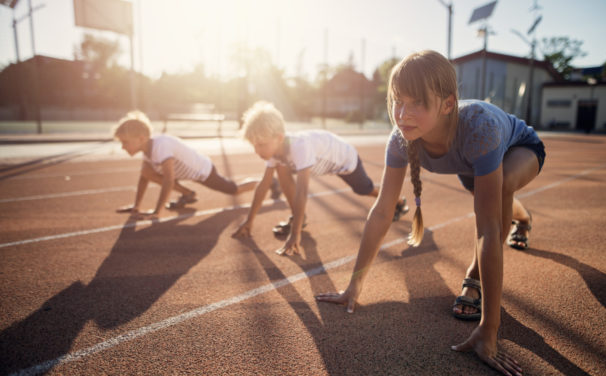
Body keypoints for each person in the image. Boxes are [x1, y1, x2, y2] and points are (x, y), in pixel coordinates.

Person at [316, 50, 545, 376]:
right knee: (490, 196)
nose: (402, 114)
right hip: (473, 162)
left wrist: (489, 328)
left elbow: (488, 230)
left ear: (448, 104)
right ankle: (523, 218)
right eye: (397, 101)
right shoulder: (400, 140)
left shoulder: (480, 129)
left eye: (416, 103)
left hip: (519, 149)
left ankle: (474, 276)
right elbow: (382, 211)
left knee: (500, 190)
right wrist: (353, 286)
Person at [232, 101, 410, 255]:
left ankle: (398, 202)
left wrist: (295, 235)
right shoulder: (275, 151)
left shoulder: (299, 147)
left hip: (345, 160)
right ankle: (298, 218)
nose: (257, 151)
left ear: (279, 138)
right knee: (281, 167)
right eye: (254, 146)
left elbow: (302, 192)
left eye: (261, 145)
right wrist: (249, 221)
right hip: (325, 159)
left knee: (364, 189)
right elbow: (263, 186)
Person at [113, 111, 262, 219]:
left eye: (125, 142)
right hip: (186, 173)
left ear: (141, 138)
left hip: (203, 171)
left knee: (234, 190)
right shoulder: (147, 150)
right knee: (146, 172)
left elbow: (169, 180)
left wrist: (157, 211)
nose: (123, 147)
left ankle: (267, 183)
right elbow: (144, 178)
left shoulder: (161, 146)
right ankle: (187, 194)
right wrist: (136, 206)